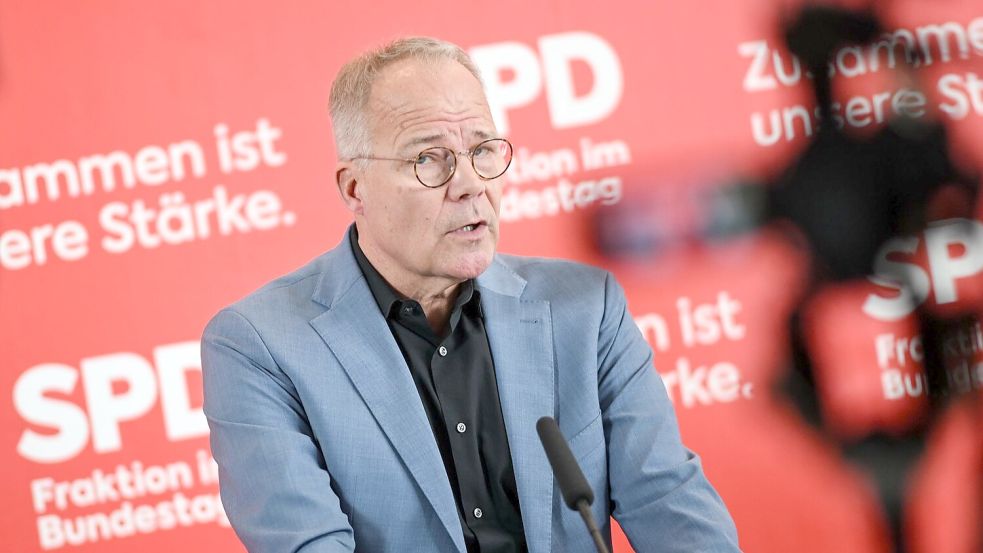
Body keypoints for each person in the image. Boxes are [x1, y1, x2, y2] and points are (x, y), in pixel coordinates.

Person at [201, 36, 740, 553]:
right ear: (354, 189)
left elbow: (667, 499)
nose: (470, 183)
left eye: (482, 149)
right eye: (429, 160)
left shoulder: (585, 307)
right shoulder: (259, 347)